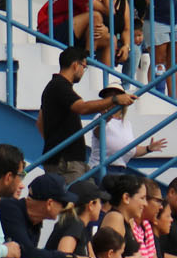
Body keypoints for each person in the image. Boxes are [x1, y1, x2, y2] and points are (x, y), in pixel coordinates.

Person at [39, 46, 136, 177]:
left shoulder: (54, 87)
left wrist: (53, 142)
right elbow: (82, 108)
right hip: (66, 161)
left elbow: (40, 121)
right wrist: (114, 99)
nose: (84, 71)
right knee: (74, 195)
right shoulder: (60, 86)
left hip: (62, 158)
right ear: (75, 65)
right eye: (84, 66)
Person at [0, 173, 78, 258]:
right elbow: (27, 252)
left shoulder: (36, 222)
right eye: (63, 203)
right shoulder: (9, 209)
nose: (64, 208)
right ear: (49, 203)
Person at [87, 87, 166, 170]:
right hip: (100, 168)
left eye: (116, 96)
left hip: (120, 168)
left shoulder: (126, 123)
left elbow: (132, 150)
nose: (113, 100)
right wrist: (105, 120)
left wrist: (148, 148)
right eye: (108, 97)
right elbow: (98, 133)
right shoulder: (100, 118)